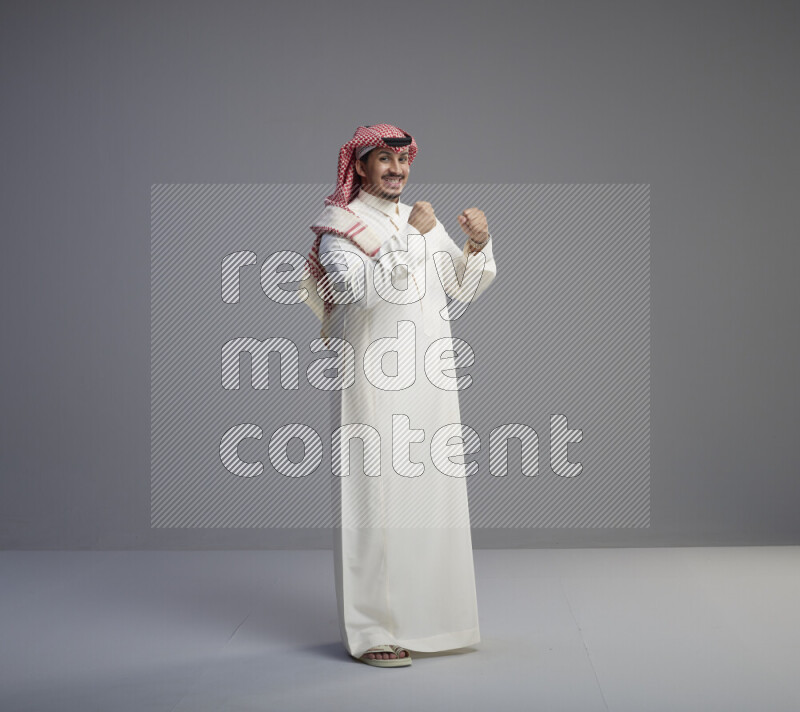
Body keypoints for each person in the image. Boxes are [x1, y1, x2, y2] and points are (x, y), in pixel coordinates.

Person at [302, 123, 497, 667]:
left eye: (402, 159)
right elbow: (354, 293)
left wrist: (476, 244)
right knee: (376, 500)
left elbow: (460, 288)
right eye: (383, 159)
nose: (396, 168)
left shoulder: (420, 219)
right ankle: (372, 633)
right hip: (373, 380)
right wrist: (413, 236)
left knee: (432, 498)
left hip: (431, 378)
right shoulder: (341, 226)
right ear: (359, 166)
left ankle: (430, 621)